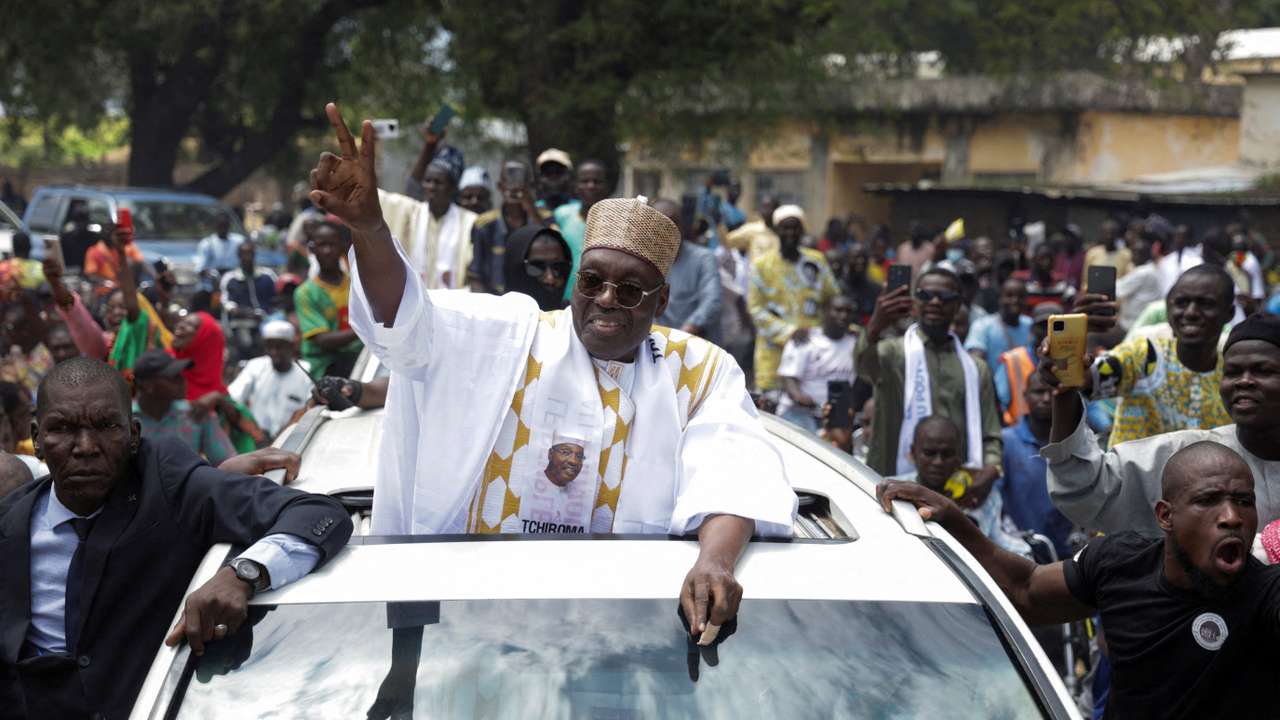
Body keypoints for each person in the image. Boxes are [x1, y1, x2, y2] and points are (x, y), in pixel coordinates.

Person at [308, 103, 797, 641]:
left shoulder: (699, 369)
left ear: (662, 303)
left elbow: (736, 467)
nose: (606, 300)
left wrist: (717, 562)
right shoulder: (506, 334)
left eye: (630, 290)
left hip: (627, 633)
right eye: (591, 282)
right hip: (478, 627)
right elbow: (406, 323)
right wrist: (371, 230)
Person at [0, 358, 351, 719]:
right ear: (37, 438)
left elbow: (319, 514)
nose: (86, 446)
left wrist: (244, 574)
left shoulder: (169, 486)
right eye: (63, 428)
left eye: (106, 426)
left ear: (134, 435)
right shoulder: (9, 524)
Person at [881, 442, 1280, 720]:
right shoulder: (1119, 563)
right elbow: (1027, 591)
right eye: (1209, 500)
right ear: (1165, 516)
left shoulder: (1266, 594)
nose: (1231, 516)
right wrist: (952, 518)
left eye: (1244, 501)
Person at [1042, 312, 1280, 537]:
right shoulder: (1190, 455)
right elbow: (1086, 489)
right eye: (1233, 372)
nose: (1244, 381)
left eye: (1263, 370)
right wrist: (1065, 392)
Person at [855, 267, 1003, 500]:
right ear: (914, 301)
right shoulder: (891, 353)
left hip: (956, 493)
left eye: (944, 297)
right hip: (891, 487)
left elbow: (991, 433)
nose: (934, 302)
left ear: (957, 306)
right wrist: (876, 324)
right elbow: (862, 367)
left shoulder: (976, 368)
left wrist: (992, 469)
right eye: (925, 295)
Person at [1082, 265, 1234, 448]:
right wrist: (1073, 337)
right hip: (1131, 476)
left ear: (1229, 313)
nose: (1191, 312)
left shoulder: (1235, 370)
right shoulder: (1144, 354)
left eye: (1206, 304)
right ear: (1168, 309)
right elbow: (1082, 379)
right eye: (1181, 303)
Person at [886, 416, 1030, 555]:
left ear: (959, 456)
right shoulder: (894, 491)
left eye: (947, 454)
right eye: (930, 453)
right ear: (913, 452)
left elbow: (1009, 547)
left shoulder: (981, 493)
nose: (938, 462)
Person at [747, 205, 839, 394]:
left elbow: (833, 298)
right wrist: (790, 332)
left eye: (795, 228)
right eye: (785, 228)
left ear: (802, 230)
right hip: (774, 359)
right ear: (776, 231)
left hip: (813, 357)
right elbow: (756, 310)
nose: (790, 233)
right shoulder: (762, 265)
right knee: (772, 418)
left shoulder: (816, 261)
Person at [1001, 371, 1074, 559]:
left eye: (1052, 392)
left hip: (1070, 553)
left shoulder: (1075, 441)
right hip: (1023, 553)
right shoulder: (1007, 442)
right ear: (1025, 396)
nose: (1046, 399)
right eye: (1038, 392)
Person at [132, 350, 236, 466]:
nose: (182, 380)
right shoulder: (125, 420)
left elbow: (228, 463)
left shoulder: (196, 414)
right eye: (173, 377)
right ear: (148, 386)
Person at [468, 160, 552, 295]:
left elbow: (550, 247)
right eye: (508, 183)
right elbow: (475, 275)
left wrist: (529, 206)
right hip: (496, 299)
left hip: (536, 299)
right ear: (500, 187)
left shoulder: (544, 218)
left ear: (529, 187)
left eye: (519, 183)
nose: (513, 188)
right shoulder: (485, 224)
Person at [776, 296, 857, 433]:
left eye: (848, 312)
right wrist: (799, 397)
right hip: (801, 413)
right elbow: (788, 378)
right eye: (838, 310)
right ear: (825, 312)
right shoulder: (805, 339)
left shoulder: (855, 342)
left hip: (836, 415)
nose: (843, 316)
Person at [295, 218, 363, 379]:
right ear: (313, 249)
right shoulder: (306, 292)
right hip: (326, 366)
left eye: (332, 244)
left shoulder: (358, 284)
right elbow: (323, 340)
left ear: (342, 247)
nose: (327, 251)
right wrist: (365, 331)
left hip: (359, 359)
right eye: (321, 245)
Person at [228, 321, 315, 439]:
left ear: (291, 346)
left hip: (291, 439)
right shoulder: (256, 366)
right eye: (270, 346)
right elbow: (233, 399)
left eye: (279, 347)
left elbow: (309, 408)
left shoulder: (306, 371)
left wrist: (281, 437)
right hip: (256, 440)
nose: (274, 352)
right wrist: (253, 431)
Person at [652, 198, 722, 342]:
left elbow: (712, 301)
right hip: (656, 344)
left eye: (672, 222)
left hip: (697, 344)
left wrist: (684, 334)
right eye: (659, 223)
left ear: (682, 226)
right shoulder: (646, 262)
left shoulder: (704, 258)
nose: (666, 229)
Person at [408, 157, 477, 290]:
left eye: (438, 182)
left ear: (452, 188)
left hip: (453, 302)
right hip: (417, 301)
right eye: (428, 181)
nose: (432, 187)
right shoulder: (412, 215)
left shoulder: (469, 222)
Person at [553, 159, 611, 302]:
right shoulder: (562, 215)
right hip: (564, 299)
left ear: (606, 186)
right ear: (575, 186)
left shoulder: (617, 221)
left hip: (599, 300)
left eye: (597, 181)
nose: (591, 186)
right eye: (585, 181)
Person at [994, 301, 1060, 426]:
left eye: (1053, 326)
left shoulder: (1072, 359)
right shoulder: (1014, 359)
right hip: (1020, 435)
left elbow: (1089, 406)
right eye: (1042, 326)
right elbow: (999, 404)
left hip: (1063, 435)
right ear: (1032, 329)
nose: (1048, 332)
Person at [220, 240, 278, 359]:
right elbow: (228, 305)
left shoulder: (267, 276)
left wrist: (267, 313)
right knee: (246, 346)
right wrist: (250, 314)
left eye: (250, 253)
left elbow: (277, 298)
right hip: (242, 322)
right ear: (239, 256)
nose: (247, 257)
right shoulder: (230, 278)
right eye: (244, 254)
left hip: (268, 321)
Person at [500, 225, 573, 311]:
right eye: (537, 267)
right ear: (515, 271)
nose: (550, 278)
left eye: (558, 267)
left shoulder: (575, 319)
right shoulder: (492, 320)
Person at [965, 277, 1031, 372]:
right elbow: (975, 362)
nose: (1015, 300)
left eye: (1020, 296)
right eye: (1009, 296)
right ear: (1000, 298)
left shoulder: (1031, 325)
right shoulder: (982, 325)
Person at [1116, 227, 1162, 331]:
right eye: (1134, 253)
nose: (1134, 257)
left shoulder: (1143, 272)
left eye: (1138, 253)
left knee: (1094, 337)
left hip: (1132, 325)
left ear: (1147, 255)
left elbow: (1118, 291)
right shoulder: (1150, 269)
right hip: (1136, 321)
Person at [82, 225, 146, 289]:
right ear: (109, 236)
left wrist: (155, 277)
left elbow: (141, 261)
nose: (121, 238)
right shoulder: (95, 251)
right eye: (117, 235)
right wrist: (107, 283)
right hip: (106, 291)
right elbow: (90, 275)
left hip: (127, 287)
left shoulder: (127, 247)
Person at [1021, 242, 1076, 309]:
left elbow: (1075, 299)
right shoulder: (1023, 282)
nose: (1047, 262)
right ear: (1034, 259)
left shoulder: (1061, 283)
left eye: (1049, 258)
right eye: (1042, 258)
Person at [839, 243, 881, 326]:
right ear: (847, 260)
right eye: (856, 257)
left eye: (864, 258)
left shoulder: (875, 289)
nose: (860, 261)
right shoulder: (838, 287)